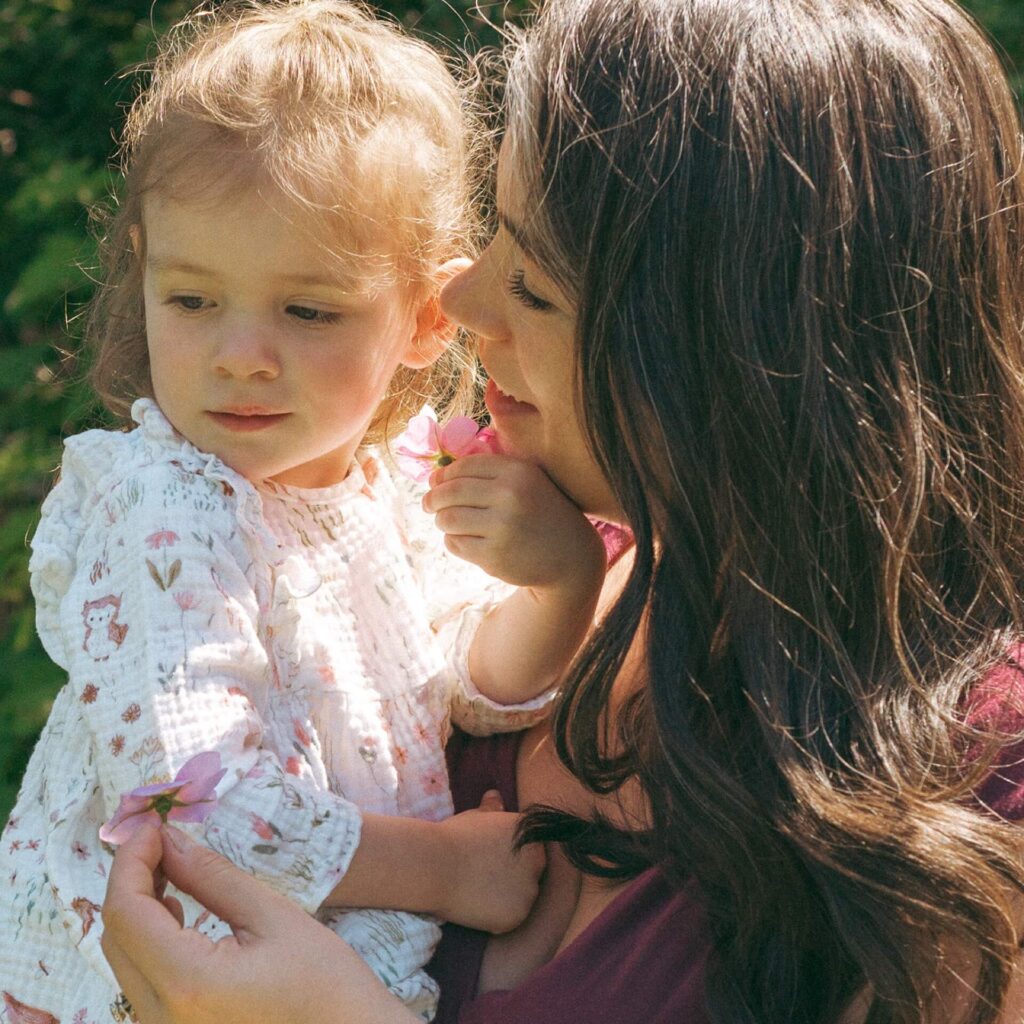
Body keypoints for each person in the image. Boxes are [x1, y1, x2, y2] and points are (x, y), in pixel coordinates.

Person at [99, 0, 1024, 1020]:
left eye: (533, 281)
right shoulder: (519, 571)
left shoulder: (975, 803)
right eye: (493, 230)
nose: (461, 304)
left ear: (725, 344)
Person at [0, 1, 612, 1021]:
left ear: (424, 317)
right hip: (121, 987)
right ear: (145, 265)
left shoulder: (384, 491)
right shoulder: (159, 505)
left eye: (308, 310)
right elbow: (191, 804)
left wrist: (558, 580)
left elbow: (471, 683)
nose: (241, 352)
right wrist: (445, 872)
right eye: (192, 299)